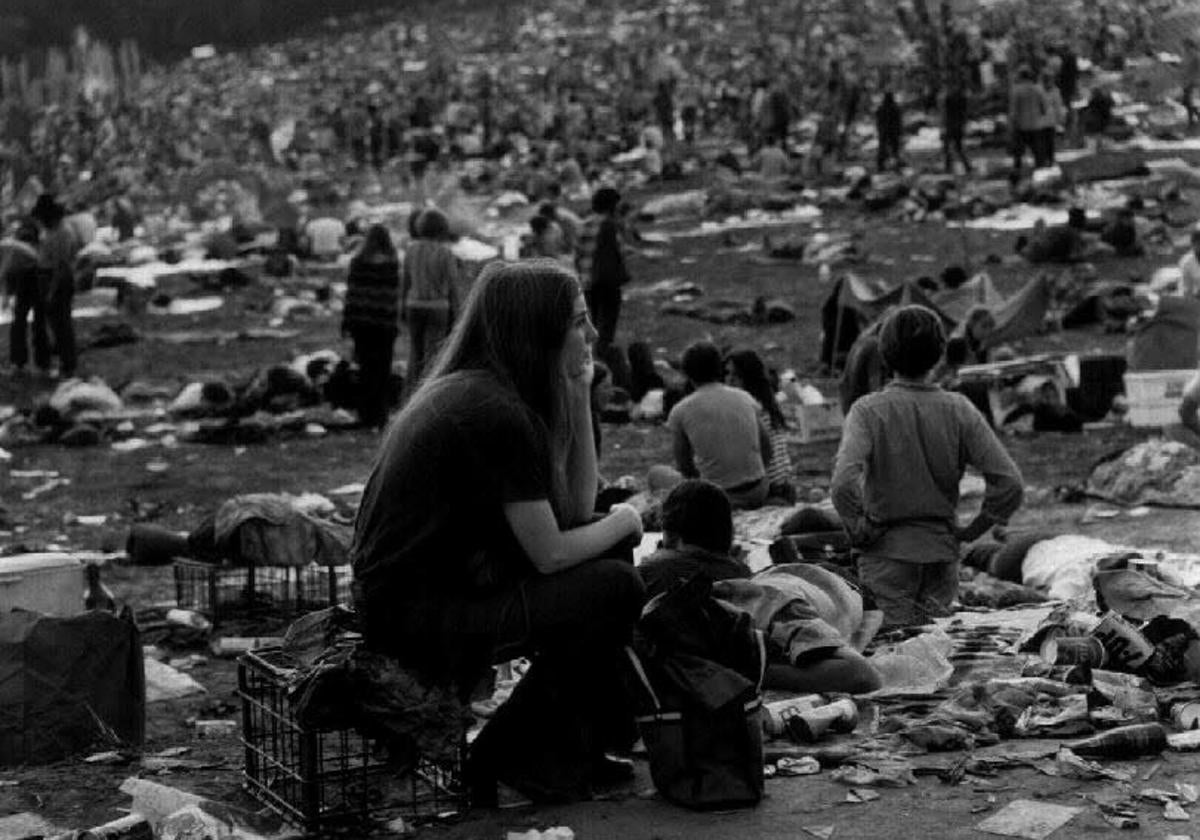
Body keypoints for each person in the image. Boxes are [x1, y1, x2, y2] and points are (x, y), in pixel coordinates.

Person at [351, 259, 646, 806]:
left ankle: (570, 748)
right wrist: (629, 519)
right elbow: (553, 553)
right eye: (579, 322)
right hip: (415, 613)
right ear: (538, 329)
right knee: (616, 585)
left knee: (611, 558)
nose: (594, 334)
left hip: (444, 588)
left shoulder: (489, 393)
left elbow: (578, 509)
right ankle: (506, 753)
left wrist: (579, 393)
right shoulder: (493, 412)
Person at [831, 305, 1024, 628]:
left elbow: (842, 484)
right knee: (936, 655)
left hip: (887, 556)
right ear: (939, 354)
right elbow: (1010, 484)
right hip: (942, 553)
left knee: (895, 658)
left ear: (885, 354)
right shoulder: (958, 408)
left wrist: (860, 529)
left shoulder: (867, 411)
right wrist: (973, 529)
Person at [638, 479, 882, 694]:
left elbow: (862, 674)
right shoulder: (718, 601)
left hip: (832, 581)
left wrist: (749, 673)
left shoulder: (762, 601)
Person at [666, 341, 772, 510]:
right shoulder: (745, 398)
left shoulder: (681, 411)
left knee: (659, 475)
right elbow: (767, 448)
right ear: (719, 368)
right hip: (758, 490)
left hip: (718, 498)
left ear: (687, 374)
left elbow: (684, 466)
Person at [341, 224, 401, 428]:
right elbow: (393, 298)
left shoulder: (357, 262)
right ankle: (380, 415)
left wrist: (347, 322)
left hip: (361, 325)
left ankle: (365, 414)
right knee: (382, 371)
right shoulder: (392, 264)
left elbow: (352, 294)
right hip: (384, 325)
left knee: (365, 368)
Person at [400, 208, 463, 390]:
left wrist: (402, 307)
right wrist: (458, 314)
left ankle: (411, 392)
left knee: (415, 352)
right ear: (442, 228)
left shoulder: (411, 250)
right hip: (438, 307)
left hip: (413, 305)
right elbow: (452, 286)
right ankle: (428, 393)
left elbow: (406, 282)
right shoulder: (445, 253)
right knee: (434, 355)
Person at [725, 348, 794, 504]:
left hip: (770, 491)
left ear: (748, 377)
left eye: (735, 376)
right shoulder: (768, 402)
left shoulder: (750, 409)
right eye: (727, 374)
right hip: (785, 487)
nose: (728, 380)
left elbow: (764, 454)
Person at [576, 187, 630, 355]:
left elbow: (578, 254)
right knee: (607, 327)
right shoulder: (609, 226)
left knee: (596, 322)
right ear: (612, 206)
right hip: (607, 282)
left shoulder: (583, 224)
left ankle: (593, 356)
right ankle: (601, 361)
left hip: (587, 283)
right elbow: (617, 253)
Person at [32, 194, 78, 378]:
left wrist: (51, 290)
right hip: (46, 275)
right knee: (54, 322)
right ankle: (59, 360)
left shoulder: (63, 232)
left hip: (57, 279)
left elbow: (62, 265)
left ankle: (68, 364)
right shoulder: (52, 230)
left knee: (62, 323)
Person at [0, 219, 49, 376]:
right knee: (31, 322)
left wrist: (6, 297)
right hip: (33, 276)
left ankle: (23, 362)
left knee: (25, 322)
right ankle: (37, 363)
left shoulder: (8, 247)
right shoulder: (16, 246)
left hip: (32, 276)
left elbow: (5, 272)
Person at [1009, 66, 1047, 176]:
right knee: (1037, 151)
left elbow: (1014, 110)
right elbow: (1044, 107)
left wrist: (1012, 125)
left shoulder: (1016, 90)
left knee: (1018, 152)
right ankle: (1040, 173)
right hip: (1036, 125)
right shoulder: (1038, 89)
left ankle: (1018, 173)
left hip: (1021, 125)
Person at [942, 83, 971, 174]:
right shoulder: (962, 98)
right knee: (957, 148)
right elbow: (965, 113)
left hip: (951, 125)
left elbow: (945, 113)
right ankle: (966, 166)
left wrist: (943, 125)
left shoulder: (949, 98)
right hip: (958, 125)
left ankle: (948, 166)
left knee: (948, 147)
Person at [874, 90, 903, 172]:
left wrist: (879, 129)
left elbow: (878, 121)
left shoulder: (881, 108)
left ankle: (881, 166)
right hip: (893, 132)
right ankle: (895, 166)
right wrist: (900, 131)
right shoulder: (896, 108)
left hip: (884, 131)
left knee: (883, 149)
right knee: (894, 150)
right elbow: (899, 121)